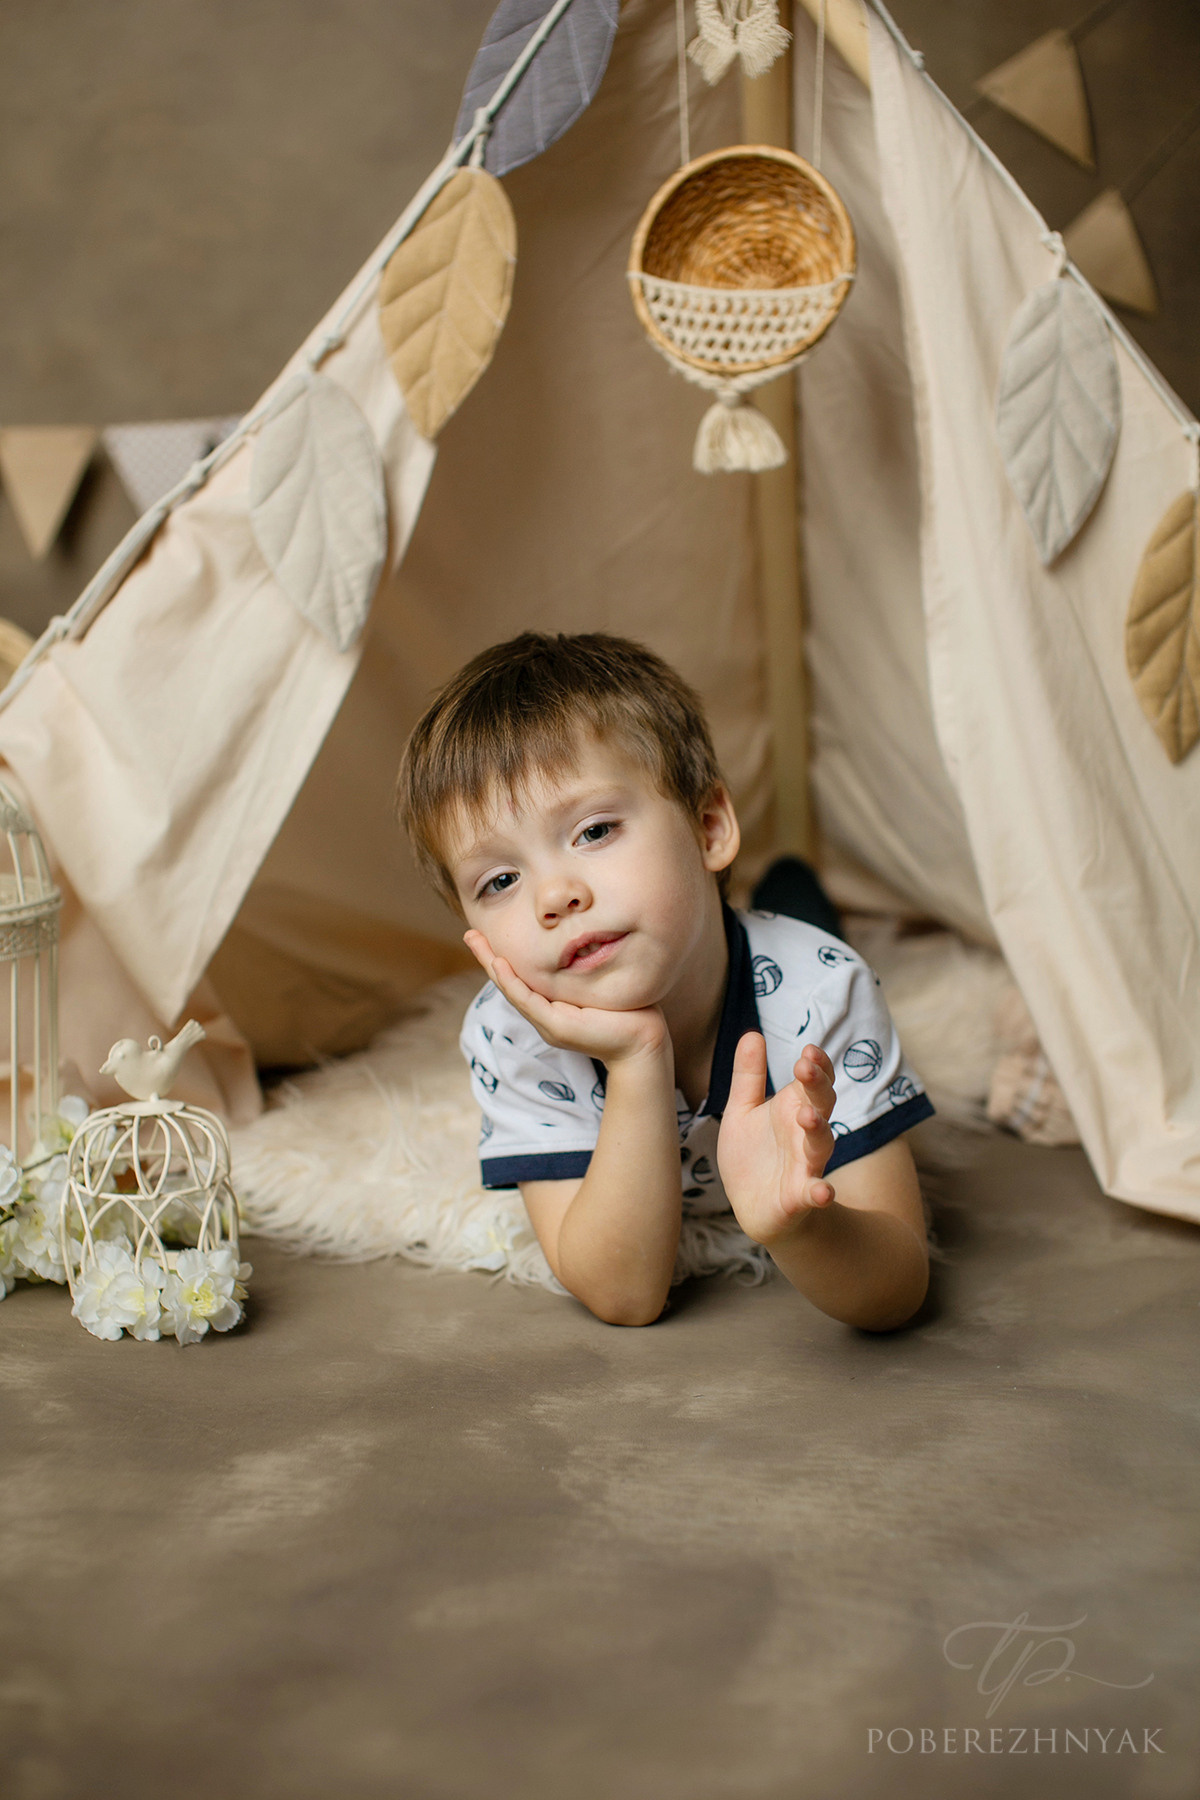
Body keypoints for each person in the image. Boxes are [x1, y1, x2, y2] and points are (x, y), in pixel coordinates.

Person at [397, 632, 934, 1330]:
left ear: (709, 828)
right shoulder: (510, 1033)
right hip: (700, 953)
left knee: (802, 915)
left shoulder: (821, 991)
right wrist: (636, 1059)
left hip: (772, 943)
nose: (552, 897)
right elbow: (624, 1294)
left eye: (593, 831)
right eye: (500, 880)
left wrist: (803, 1230)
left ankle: (795, 884)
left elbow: (898, 1286)